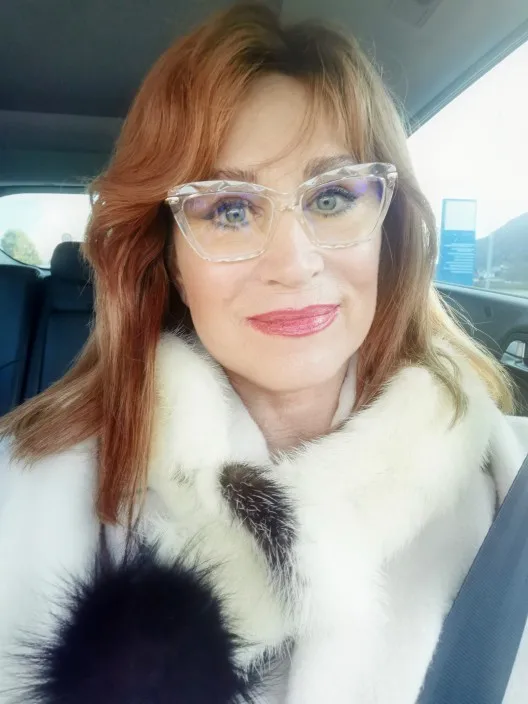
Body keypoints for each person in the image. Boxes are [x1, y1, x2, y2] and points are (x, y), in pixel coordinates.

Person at [0, 4, 527, 703]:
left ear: (389, 231)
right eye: (229, 209)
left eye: (332, 197)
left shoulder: (510, 492)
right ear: (170, 257)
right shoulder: (25, 487)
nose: (294, 262)